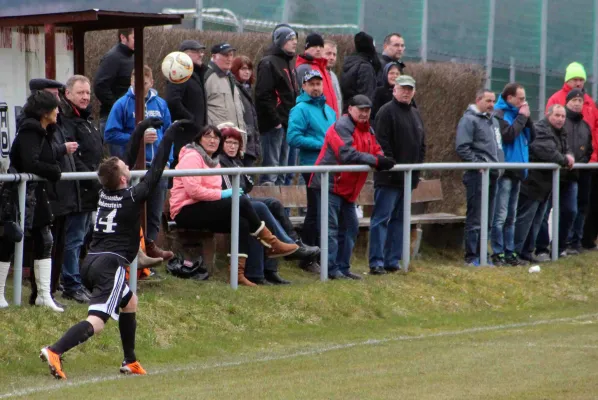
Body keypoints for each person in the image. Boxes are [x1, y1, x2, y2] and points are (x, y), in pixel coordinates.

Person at [39, 117, 182, 380]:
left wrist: (140, 129)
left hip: (91, 262)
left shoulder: (105, 192)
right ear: (125, 178)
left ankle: (130, 360)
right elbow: (156, 170)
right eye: (125, 167)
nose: (126, 163)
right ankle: (55, 350)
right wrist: (170, 135)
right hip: (111, 266)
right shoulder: (131, 196)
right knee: (98, 321)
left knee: (130, 302)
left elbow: (121, 163)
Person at [169, 125, 298, 287]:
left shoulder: (213, 160)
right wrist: (224, 194)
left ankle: (239, 274)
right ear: (199, 139)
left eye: (216, 138)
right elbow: (193, 191)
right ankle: (272, 243)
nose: (212, 140)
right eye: (208, 137)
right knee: (242, 202)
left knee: (242, 221)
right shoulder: (192, 156)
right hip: (186, 210)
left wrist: (222, 194)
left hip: (205, 206)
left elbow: (213, 189)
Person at [0, 91, 78, 311]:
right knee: (8, 240)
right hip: (19, 194)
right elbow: (30, 162)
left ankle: (43, 294)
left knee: (45, 239)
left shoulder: (46, 132)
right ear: (45, 112)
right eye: (55, 107)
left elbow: (45, 159)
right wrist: (54, 171)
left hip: (38, 194)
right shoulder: (29, 132)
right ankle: (0, 294)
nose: (58, 111)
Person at [309, 95, 395, 280]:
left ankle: (342, 267)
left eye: (367, 110)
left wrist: (381, 158)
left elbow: (375, 149)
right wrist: (376, 160)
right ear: (350, 109)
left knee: (350, 228)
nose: (364, 113)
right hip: (328, 184)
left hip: (346, 189)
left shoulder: (369, 130)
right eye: (361, 109)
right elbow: (345, 154)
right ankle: (331, 270)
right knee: (331, 229)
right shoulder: (341, 127)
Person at [218, 126, 318, 283]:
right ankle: (263, 269)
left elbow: (247, 186)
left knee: (274, 204)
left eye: (235, 143)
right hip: (229, 205)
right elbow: (232, 189)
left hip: (243, 201)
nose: (232, 146)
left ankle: (286, 252)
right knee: (261, 211)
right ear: (221, 144)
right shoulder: (220, 162)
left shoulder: (236, 162)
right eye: (228, 142)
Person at [104, 65, 174, 261]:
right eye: (136, 84)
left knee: (155, 208)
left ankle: (151, 244)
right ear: (131, 83)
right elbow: (110, 134)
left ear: (151, 82)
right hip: (133, 168)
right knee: (132, 209)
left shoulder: (160, 104)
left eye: (144, 84)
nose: (140, 88)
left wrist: (168, 161)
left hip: (157, 167)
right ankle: (135, 248)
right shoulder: (122, 104)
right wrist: (137, 137)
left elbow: (169, 134)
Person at [370, 76, 426, 274]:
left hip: (408, 179)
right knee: (381, 220)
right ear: (394, 90)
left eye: (410, 89)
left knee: (400, 221)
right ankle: (376, 262)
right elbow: (381, 143)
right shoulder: (385, 112)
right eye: (403, 88)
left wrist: (416, 173)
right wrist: (391, 166)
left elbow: (421, 146)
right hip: (388, 178)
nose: (406, 92)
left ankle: (391, 260)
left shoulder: (415, 114)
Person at [59, 75, 104, 303]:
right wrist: (94, 181)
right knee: (74, 238)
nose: (85, 97)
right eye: (80, 93)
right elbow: (74, 160)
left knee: (84, 236)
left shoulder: (87, 120)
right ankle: (71, 284)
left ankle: (75, 279)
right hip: (77, 190)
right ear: (68, 94)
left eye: (87, 93)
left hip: (92, 190)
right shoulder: (66, 121)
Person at [287, 70, 337, 271]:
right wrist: (323, 144)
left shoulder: (330, 111)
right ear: (304, 87)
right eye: (311, 84)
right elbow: (293, 137)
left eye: (318, 83)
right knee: (315, 212)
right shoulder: (299, 109)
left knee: (327, 211)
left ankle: (323, 255)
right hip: (313, 167)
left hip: (331, 167)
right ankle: (308, 258)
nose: (316, 87)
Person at [545, 62, 598, 250]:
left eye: (581, 79)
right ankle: (555, 242)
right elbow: (551, 129)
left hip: (586, 163)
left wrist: (591, 157)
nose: (578, 83)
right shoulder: (556, 99)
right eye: (575, 79)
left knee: (582, 205)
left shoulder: (589, 102)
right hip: (562, 164)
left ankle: (577, 239)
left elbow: (594, 131)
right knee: (554, 206)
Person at [513, 105, 573, 262]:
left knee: (537, 221)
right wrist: (565, 160)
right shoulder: (540, 129)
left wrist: (568, 155)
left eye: (563, 116)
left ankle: (526, 252)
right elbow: (545, 151)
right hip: (532, 183)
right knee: (525, 220)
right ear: (548, 115)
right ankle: (515, 252)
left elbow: (566, 149)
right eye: (557, 115)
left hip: (545, 186)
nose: (560, 119)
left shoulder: (561, 133)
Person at [456, 89, 504, 266]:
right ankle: (472, 256)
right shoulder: (468, 120)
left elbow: (498, 147)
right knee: (475, 217)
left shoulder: (494, 122)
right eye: (488, 101)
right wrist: (479, 165)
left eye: (493, 101)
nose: (491, 104)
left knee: (489, 218)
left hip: (493, 174)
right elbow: (462, 147)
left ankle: (483, 253)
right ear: (478, 100)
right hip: (477, 175)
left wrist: (500, 167)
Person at [491, 83, 535, 266]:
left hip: (518, 170)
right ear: (510, 98)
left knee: (511, 217)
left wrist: (527, 119)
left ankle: (510, 252)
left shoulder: (519, 115)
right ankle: (497, 252)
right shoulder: (499, 114)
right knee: (500, 216)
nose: (523, 102)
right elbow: (508, 135)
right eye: (521, 98)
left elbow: (532, 137)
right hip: (506, 171)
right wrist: (521, 118)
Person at [255, 24, 299, 185]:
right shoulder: (269, 63)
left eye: (295, 39)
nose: (295, 42)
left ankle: (280, 210)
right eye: (290, 39)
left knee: (284, 172)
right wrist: (276, 122)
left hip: (288, 125)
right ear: (280, 42)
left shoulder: (289, 63)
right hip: (274, 126)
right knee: (271, 172)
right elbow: (262, 95)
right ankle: (268, 208)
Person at [165, 40, 209, 168]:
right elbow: (173, 101)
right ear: (184, 54)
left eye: (201, 51)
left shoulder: (198, 74)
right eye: (196, 52)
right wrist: (190, 120)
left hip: (195, 134)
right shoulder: (180, 72)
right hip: (183, 134)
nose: (201, 55)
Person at [562, 89, 593, 254]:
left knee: (581, 207)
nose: (577, 103)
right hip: (564, 174)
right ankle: (563, 241)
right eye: (574, 100)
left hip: (582, 172)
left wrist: (581, 162)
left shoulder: (585, 126)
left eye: (580, 101)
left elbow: (589, 149)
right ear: (567, 102)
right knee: (568, 209)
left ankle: (576, 242)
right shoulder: (561, 121)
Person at [93, 28, 134, 136]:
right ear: (123, 37)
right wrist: (117, 106)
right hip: (112, 119)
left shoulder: (133, 57)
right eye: (134, 37)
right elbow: (100, 85)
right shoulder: (112, 57)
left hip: (130, 117)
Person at [295, 33, 339, 116]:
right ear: (306, 48)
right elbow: (303, 98)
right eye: (314, 46)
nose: (318, 49)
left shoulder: (323, 68)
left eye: (320, 46)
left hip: (329, 119)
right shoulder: (305, 68)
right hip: (317, 119)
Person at [205, 43, 245, 131]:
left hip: (236, 139)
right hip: (216, 138)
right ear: (214, 57)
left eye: (231, 55)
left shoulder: (230, 77)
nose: (229, 59)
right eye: (225, 55)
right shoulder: (207, 77)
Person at [231, 56, 261, 166]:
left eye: (249, 69)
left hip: (251, 141)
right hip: (242, 139)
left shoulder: (248, 89)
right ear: (235, 69)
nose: (247, 72)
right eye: (243, 69)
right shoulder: (234, 88)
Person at [340, 32, 381, 113]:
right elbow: (366, 98)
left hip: (348, 111)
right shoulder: (365, 67)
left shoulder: (349, 63)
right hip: (359, 114)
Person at [323, 40, 343, 116]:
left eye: (334, 55)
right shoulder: (316, 75)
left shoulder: (333, 76)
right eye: (328, 53)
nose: (332, 57)